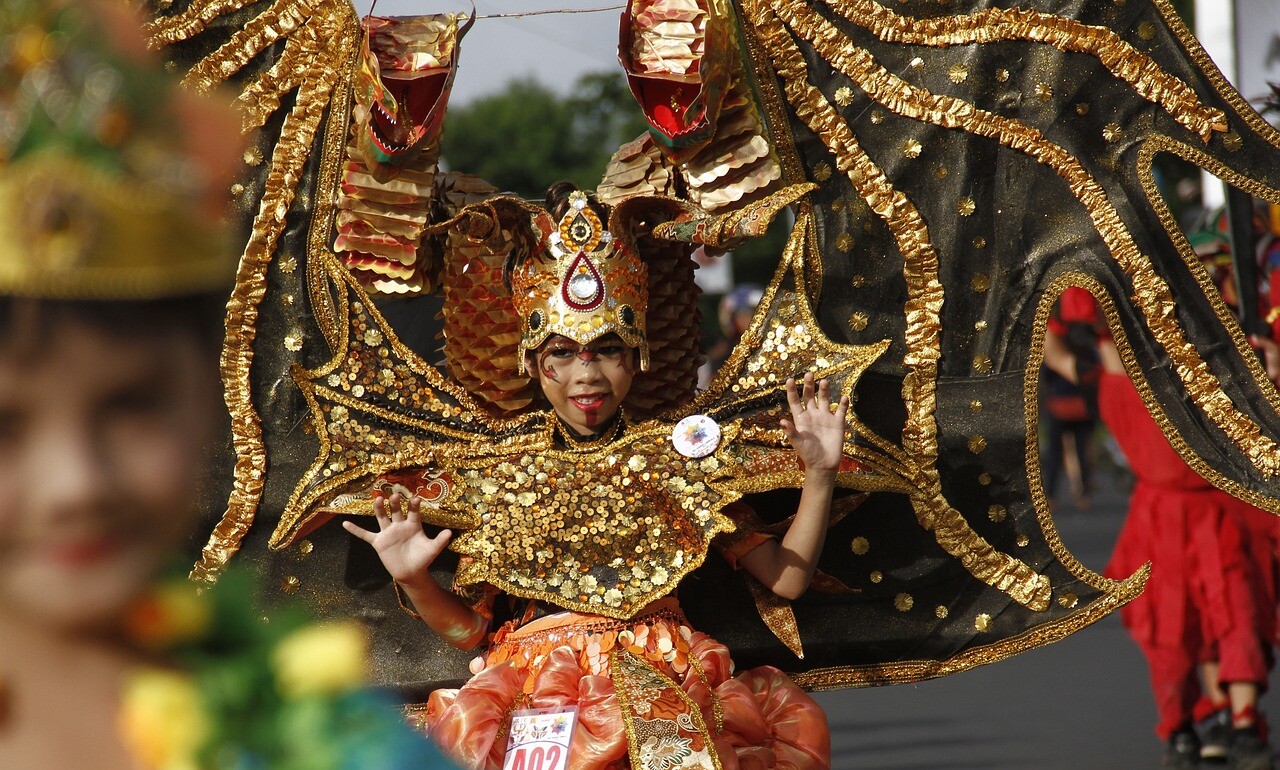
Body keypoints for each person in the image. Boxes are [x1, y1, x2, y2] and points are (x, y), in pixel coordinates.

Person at [343, 185, 834, 770]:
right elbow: (473, 633)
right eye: (563, 353)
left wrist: (820, 475)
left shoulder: (679, 462)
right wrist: (416, 580)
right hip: (539, 709)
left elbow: (785, 580)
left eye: (605, 349)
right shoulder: (501, 473)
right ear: (532, 362)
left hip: (667, 698)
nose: (586, 375)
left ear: (637, 355)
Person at [1044, 285, 1279, 770]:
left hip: (1210, 513)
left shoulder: (1149, 379)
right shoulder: (1211, 379)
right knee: (1200, 625)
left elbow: (1075, 350)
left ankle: (1221, 723)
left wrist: (1062, 301)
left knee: (1223, 621)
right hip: (1181, 517)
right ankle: (1219, 722)